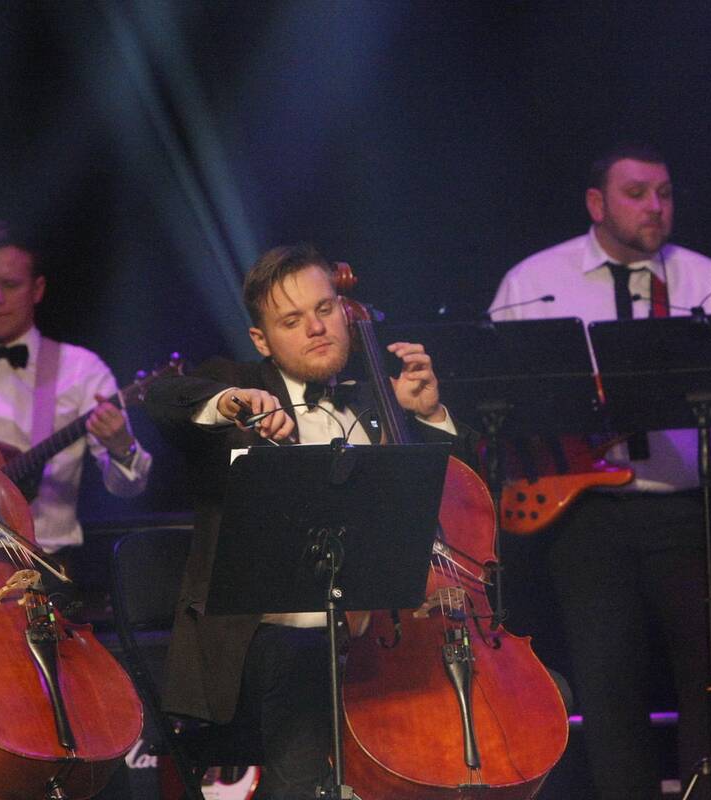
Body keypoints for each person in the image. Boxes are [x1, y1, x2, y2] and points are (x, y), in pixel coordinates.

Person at [145, 244, 477, 799]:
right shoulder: (238, 388)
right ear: (262, 340)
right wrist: (230, 402)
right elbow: (163, 400)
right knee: (305, 666)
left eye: (325, 309)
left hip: (375, 644)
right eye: (291, 320)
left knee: (510, 695)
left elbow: (461, 511)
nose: (316, 329)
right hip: (261, 651)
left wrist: (429, 418)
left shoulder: (380, 400)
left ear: (345, 312)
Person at [490, 144, 711, 797]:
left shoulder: (706, 282)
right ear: (596, 203)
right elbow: (496, 404)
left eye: (665, 193)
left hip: (682, 508)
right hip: (582, 516)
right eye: (636, 193)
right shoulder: (532, 282)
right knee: (608, 687)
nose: (655, 207)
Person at [0, 221, 150, 554]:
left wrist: (121, 447)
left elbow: (128, 489)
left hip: (47, 563)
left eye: (10, 284)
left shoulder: (82, 370)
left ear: (37, 289)